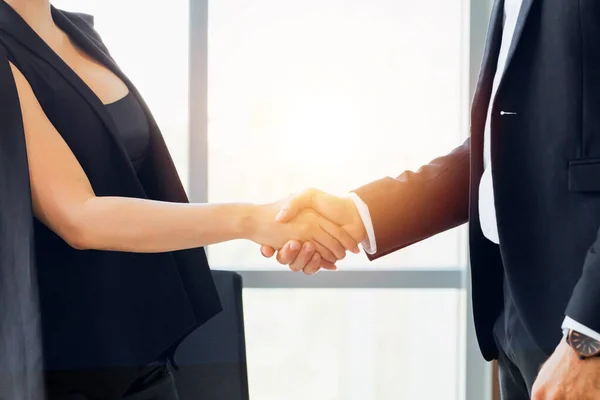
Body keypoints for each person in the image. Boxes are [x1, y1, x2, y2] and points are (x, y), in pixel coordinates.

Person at [0, 1, 359, 399]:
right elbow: (77, 215)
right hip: (68, 373)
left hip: (143, 362)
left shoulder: (78, 32)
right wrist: (253, 220)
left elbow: (130, 179)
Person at [262, 1, 600, 399]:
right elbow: (508, 148)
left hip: (580, 316)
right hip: (516, 311)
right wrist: (359, 214)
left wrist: (587, 340)